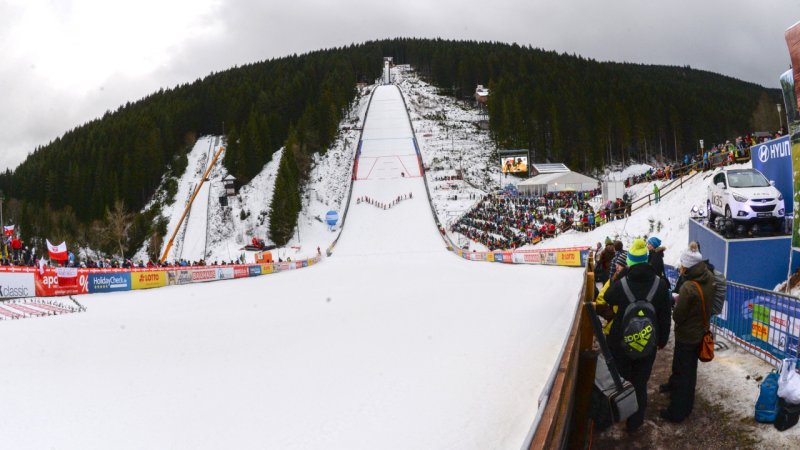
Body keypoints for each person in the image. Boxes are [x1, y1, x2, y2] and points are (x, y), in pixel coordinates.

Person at [603, 238, 672, 432]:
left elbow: (607, 296)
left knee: (623, 380)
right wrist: (662, 339)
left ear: (631, 261)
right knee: (640, 383)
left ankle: (621, 414)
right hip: (647, 342)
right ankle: (636, 421)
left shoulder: (623, 282)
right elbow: (665, 315)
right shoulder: (659, 284)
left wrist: (621, 274)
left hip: (620, 343)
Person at [660, 241, 715, 423]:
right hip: (699, 331)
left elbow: (678, 315)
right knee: (690, 372)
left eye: (682, 264)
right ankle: (687, 405)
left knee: (683, 373)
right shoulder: (707, 277)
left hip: (687, 336)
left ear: (688, 266)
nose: (680, 267)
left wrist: (676, 302)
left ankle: (678, 411)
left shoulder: (688, 287)